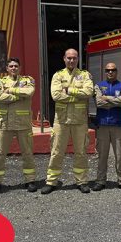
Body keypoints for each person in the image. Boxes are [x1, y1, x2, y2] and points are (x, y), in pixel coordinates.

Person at [41, 49, 94, 194]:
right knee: (57, 151)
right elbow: (56, 95)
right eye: (69, 58)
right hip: (61, 120)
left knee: (81, 152)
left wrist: (69, 91)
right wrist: (78, 95)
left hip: (79, 120)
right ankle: (51, 181)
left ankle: (82, 181)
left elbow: (89, 92)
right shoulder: (58, 75)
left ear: (78, 59)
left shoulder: (84, 75)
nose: (71, 60)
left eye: (74, 58)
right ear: (64, 59)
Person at [0, 58, 37, 194]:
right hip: (4, 124)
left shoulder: (28, 80)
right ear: (7, 68)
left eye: (16, 66)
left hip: (23, 124)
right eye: (11, 66)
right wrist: (18, 95)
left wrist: (10, 91)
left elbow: (29, 93)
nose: (14, 68)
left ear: (20, 67)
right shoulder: (0, 81)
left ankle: (30, 180)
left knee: (27, 153)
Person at [92, 62, 121, 192]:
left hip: (118, 125)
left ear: (116, 71)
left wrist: (107, 98)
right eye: (108, 70)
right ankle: (100, 180)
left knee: (120, 155)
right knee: (102, 155)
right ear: (105, 71)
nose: (110, 72)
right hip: (102, 124)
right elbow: (98, 102)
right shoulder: (98, 86)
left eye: (113, 70)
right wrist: (115, 99)